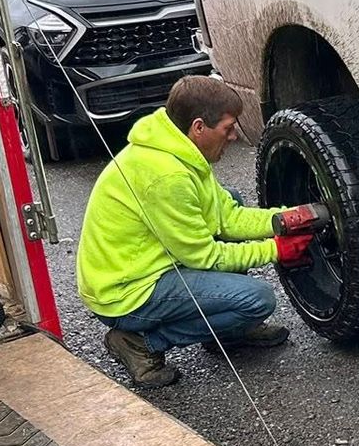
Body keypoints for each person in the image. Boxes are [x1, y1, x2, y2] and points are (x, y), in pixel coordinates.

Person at [76, 76, 320, 387]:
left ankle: (227, 332)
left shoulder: (177, 148)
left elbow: (227, 217)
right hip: (127, 292)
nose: (233, 136)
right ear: (199, 127)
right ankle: (140, 343)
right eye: (228, 128)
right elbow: (206, 256)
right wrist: (276, 249)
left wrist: (284, 219)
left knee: (230, 197)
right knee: (258, 300)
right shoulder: (167, 177)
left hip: (148, 263)